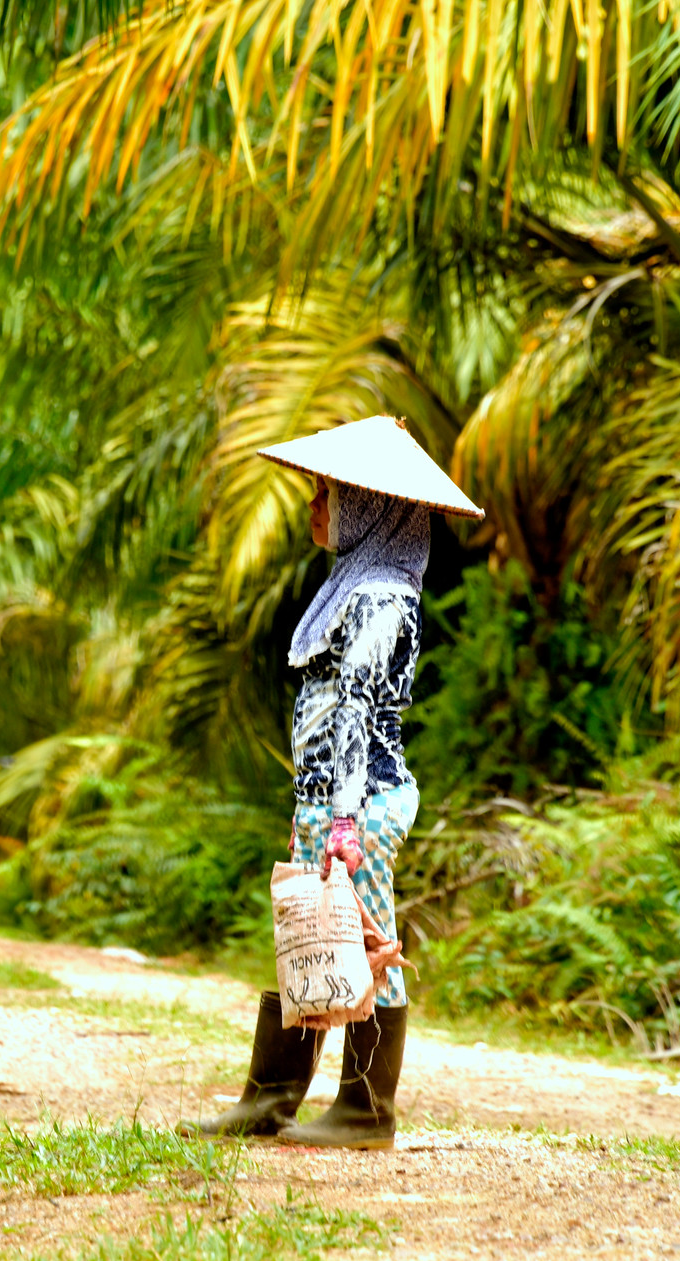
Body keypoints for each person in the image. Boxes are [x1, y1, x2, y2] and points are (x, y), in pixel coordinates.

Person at [184, 416, 483, 1149]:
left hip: (366, 799)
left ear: (373, 507)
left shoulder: (384, 597)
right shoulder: (351, 586)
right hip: (333, 799)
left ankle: (364, 1110)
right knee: (314, 935)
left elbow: (355, 710)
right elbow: (322, 719)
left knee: (369, 941)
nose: (316, 508)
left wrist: (342, 822)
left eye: (328, 495)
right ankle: (273, 1099)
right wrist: (309, 810)